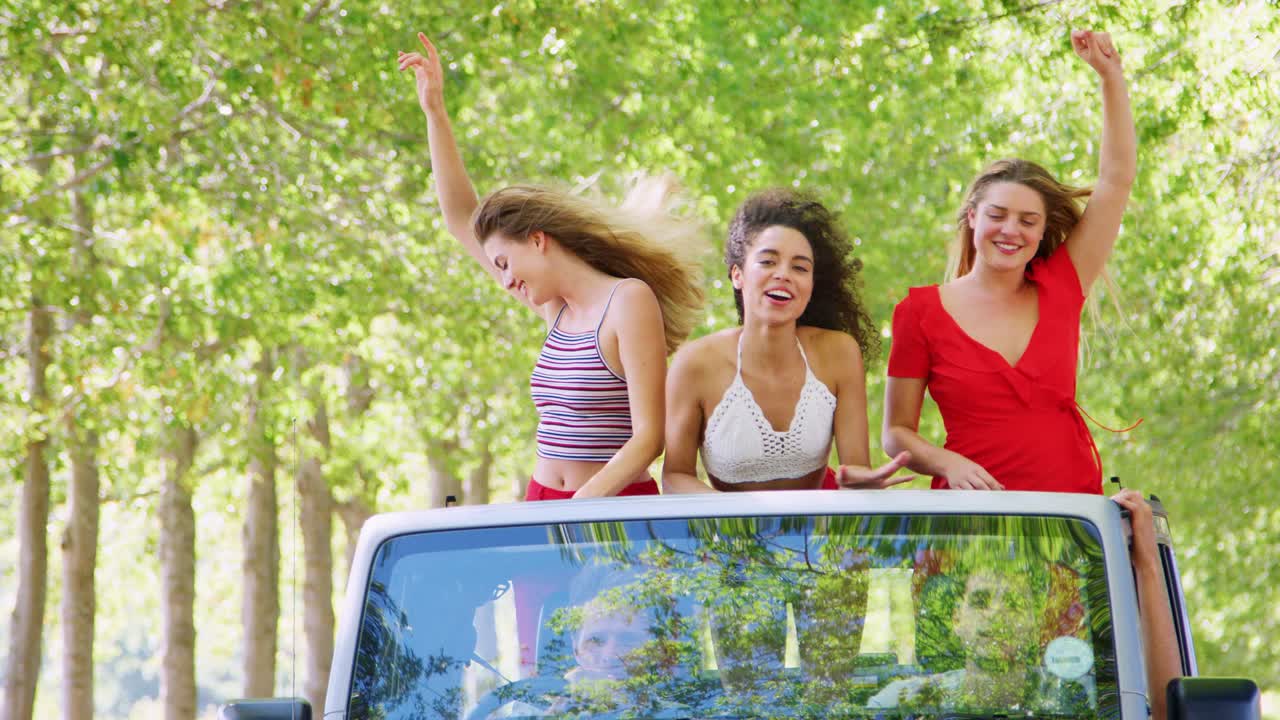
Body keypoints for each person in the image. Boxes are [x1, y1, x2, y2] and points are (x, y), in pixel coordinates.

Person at [398, 32, 706, 500]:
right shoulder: (555, 309)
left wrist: (579, 507)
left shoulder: (627, 301)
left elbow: (649, 438)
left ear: (538, 240)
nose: (504, 280)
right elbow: (460, 218)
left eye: (505, 263)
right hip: (542, 496)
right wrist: (435, 113)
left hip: (609, 506)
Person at [882, 29, 1137, 493]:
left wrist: (1110, 76)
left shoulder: (1063, 284)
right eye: (997, 216)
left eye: (1027, 221)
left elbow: (1115, 180)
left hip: (1067, 511)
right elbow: (896, 432)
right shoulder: (919, 312)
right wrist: (946, 463)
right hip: (972, 515)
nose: (1010, 231)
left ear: (1041, 232)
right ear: (973, 218)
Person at [663, 189, 912, 493]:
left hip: (817, 522)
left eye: (800, 267)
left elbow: (857, 469)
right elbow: (674, 476)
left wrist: (862, 482)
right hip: (725, 524)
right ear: (738, 275)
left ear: (811, 284)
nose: (783, 275)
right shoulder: (694, 363)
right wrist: (730, 514)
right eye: (768, 262)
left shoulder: (839, 352)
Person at [872, 491, 1181, 720]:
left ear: (1036, 622)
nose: (995, 614)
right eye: (980, 601)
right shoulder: (902, 702)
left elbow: (1168, 713)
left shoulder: (1078, 700)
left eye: (1013, 603)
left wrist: (1147, 566)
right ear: (956, 619)